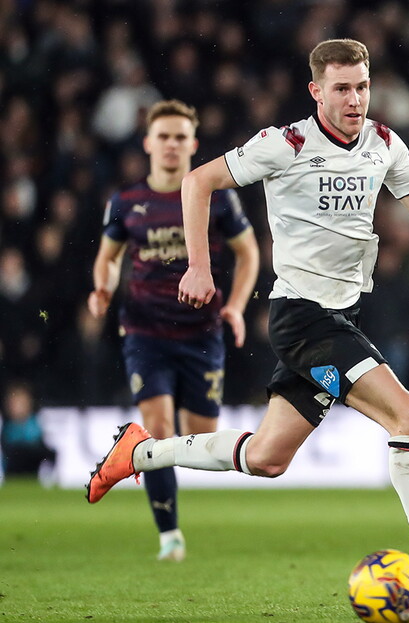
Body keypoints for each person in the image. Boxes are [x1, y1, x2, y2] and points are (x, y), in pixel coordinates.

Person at [86, 39, 409, 607]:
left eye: (363, 86)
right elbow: (197, 183)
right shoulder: (283, 144)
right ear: (316, 91)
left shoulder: (384, 144)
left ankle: (140, 454)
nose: (355, 99)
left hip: (341, 315)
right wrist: (198, 265)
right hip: (302, 317)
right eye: (342, 88)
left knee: (268, 457)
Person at [87, 99, 259, 561]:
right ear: (147, 143)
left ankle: (150, 473)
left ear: (193, 145)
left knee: (203, 434)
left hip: (202, 334)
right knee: (159, 428)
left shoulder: (216, 196)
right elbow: (107, 258)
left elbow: (249, 253)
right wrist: (101, 289)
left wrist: (238, 307)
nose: (171, 144)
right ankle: (170, 536)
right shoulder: (125, 202)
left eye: (180, 137)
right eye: (163, 136)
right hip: (146, 333)